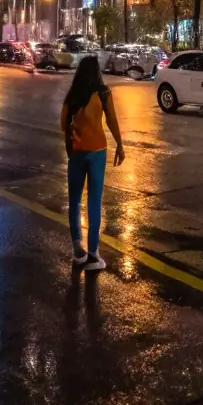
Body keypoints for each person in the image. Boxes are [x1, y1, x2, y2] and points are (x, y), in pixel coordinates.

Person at [61, 55, 124, 272]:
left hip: (77, 153)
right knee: (94, 202)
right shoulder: (103, 93)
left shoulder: (73, 95)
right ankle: (94, 254)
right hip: (97, 152)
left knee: (75, 200)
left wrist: (73, 141)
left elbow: (63, 123)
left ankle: (78, 249)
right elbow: (112, 120)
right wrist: (120, 144)